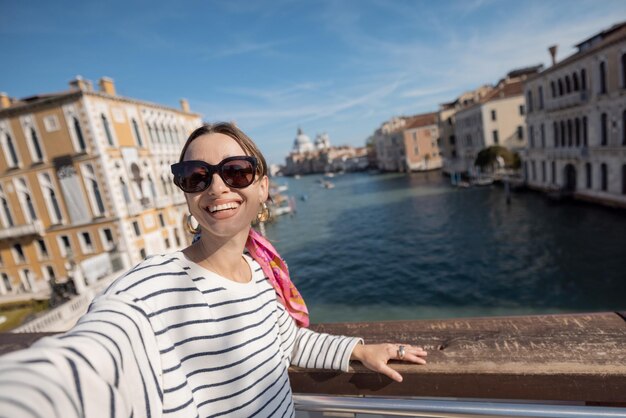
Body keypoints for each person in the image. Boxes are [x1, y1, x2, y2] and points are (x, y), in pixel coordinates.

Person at [0, 122, 427, 417]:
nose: (218, 186)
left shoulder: (257, 274)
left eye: (236, 171)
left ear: (263, 186)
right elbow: (92, 359)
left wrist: (357, 350)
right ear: (186, 193)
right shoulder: (149, 288)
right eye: (196, 176)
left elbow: (287, 340)